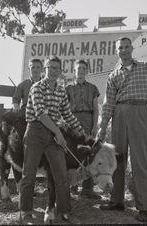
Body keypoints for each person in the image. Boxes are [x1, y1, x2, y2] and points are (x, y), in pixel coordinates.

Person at [98, 37, 147, 222]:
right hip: (118, 114)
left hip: (139, 113)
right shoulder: (113, 76)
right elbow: (108, 104)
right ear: (117, 51)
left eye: (127, 47)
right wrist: (102, 128)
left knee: (140, 162)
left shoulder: (146, 67)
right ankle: (116, 201)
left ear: (131, 48)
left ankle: (143, 207)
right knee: (117, 160)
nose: (124, 50)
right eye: (120, 48)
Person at [19, 56, 85, 224]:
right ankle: (25, 213)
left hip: (53, 135)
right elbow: (40, 113)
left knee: (61, 175)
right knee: (29, 175)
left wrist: (82, 133)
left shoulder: (61, 90)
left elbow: (67, 114)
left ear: (61, 71)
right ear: (45, 69)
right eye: (50, 67)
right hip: (35, 131)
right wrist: (59, 133)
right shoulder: (37, 87)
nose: (53, 71)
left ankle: (64, 212)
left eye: (57, 68)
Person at [66, 59, 100, 199]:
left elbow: (96, 109)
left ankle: (87, 188)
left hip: (87, 120)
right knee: (71, 153)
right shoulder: (68, 88)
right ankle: (72, 186)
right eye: (78, 68)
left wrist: (94, 126)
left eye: (83, 68)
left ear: (87, 71)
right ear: (74, 71)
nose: (80, 71)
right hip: (72, 120)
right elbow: (65, 109)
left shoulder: (93, 88)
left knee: (88, 154)